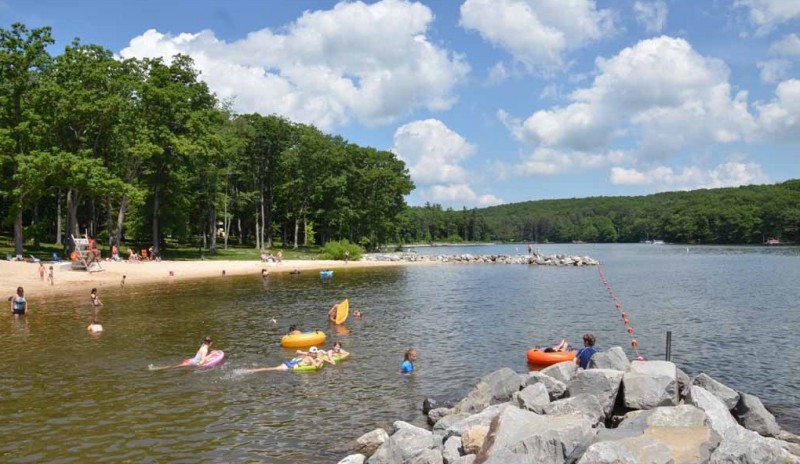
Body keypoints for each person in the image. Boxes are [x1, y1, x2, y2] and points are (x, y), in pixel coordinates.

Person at [248, 346, 325, 372]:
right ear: (311, 353)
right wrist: (321, 360)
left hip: (289, 363)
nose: (316, 354)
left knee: (272, 369)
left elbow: (305, 353)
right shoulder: (310, 358)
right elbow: (316, 366)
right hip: (288, 366)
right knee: (271, 369)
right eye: (314, 353)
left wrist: (301, 352)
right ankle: (254, 370)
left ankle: (254, 370)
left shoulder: (307, 355)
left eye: (316, 353)